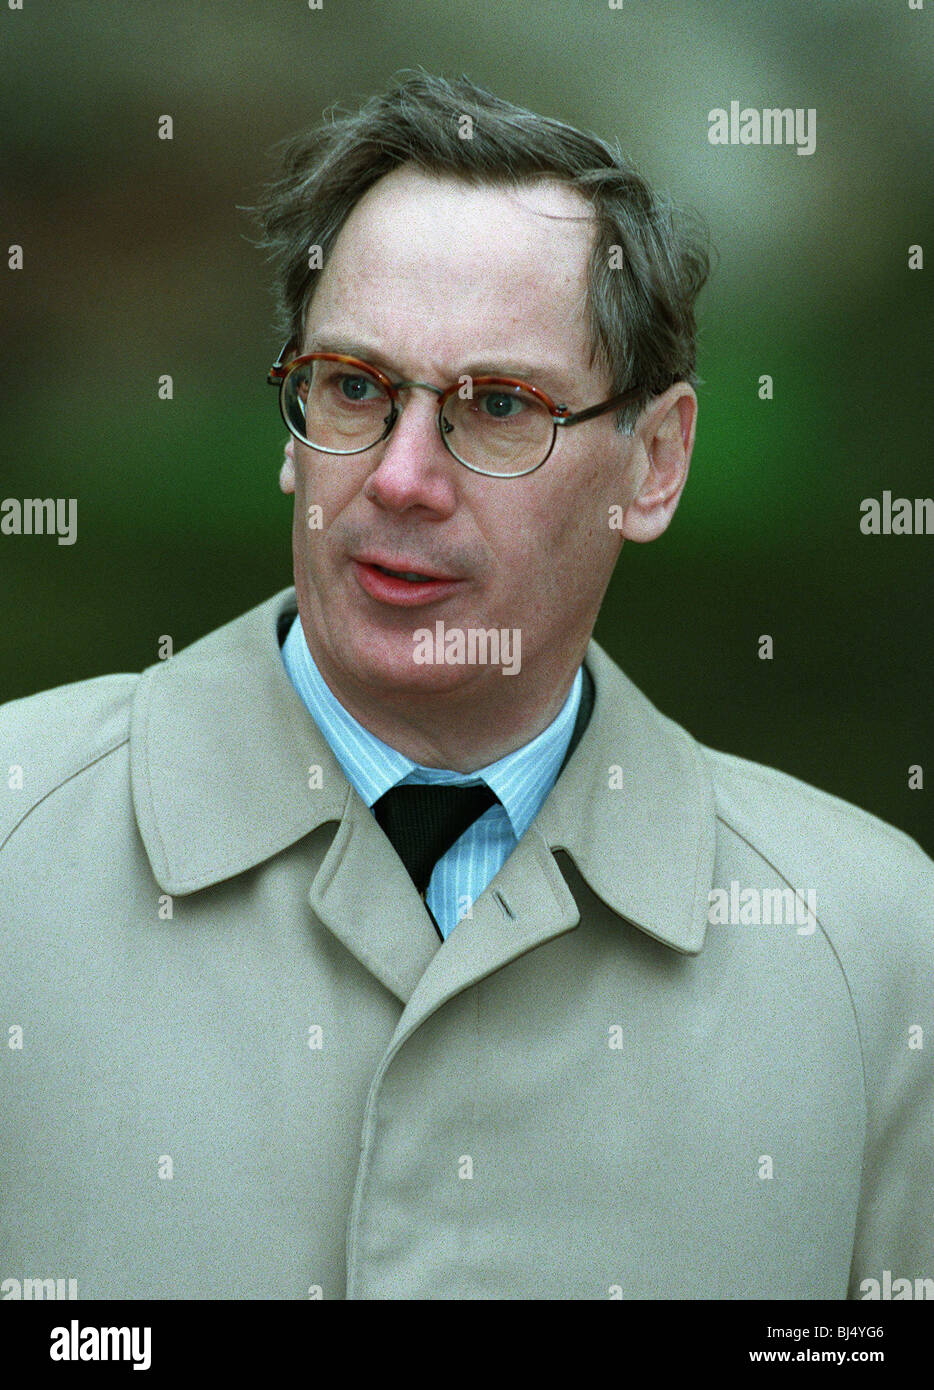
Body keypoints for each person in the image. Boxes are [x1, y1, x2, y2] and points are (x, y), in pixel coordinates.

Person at [1, 73, 931, 1302]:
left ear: (654, 463)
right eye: (350, 386)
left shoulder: (872, 947)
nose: (397, 478)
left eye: (499, 407)